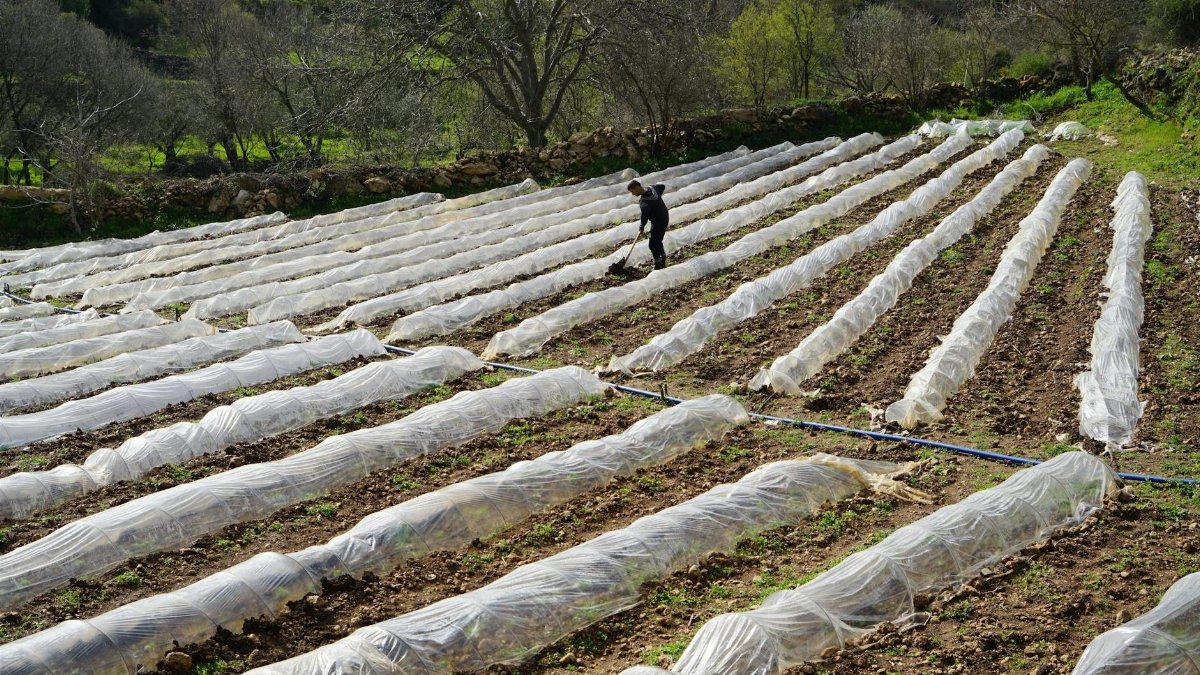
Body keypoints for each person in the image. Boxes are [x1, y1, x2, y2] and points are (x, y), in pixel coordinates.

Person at [628, 179, 669, 269]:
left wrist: (641, 227)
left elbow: (644, 216)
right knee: (658, 240)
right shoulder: (653, 188)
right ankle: (662, 259)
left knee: (652, 243)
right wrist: (658, 199)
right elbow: (662, 186)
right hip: (665, 217)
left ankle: (658, 264)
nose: (633, 194)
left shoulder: (644, 201)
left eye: (632, 191)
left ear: (637, 187)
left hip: (658, 222)